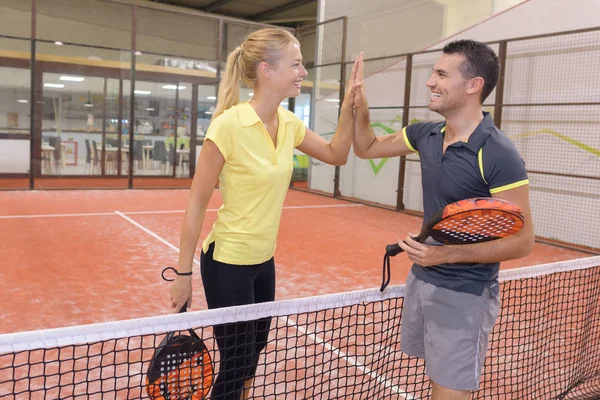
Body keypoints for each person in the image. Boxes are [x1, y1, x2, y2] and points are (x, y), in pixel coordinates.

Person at [169, 28, 363, 400]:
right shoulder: (228, 126)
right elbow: (196, 205)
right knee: (237, 363)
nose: (303, 71)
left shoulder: (289, 124)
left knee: (252, 357)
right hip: (226, 262)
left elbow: (337, 154)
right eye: (296, 64)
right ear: (266, 71)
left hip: (263, 261)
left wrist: (348, 107)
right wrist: (182, 275)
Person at [352, 40, 534, 399]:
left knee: (451, 391)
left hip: (464, 293)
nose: (429, 82)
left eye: (440, 74)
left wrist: (444, 255)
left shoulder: (498, 154)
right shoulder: (426, 134)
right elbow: (367, 147)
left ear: (473, 85)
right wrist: (360, 108)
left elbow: (523, 241)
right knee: (436, 381)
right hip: (423, 280)